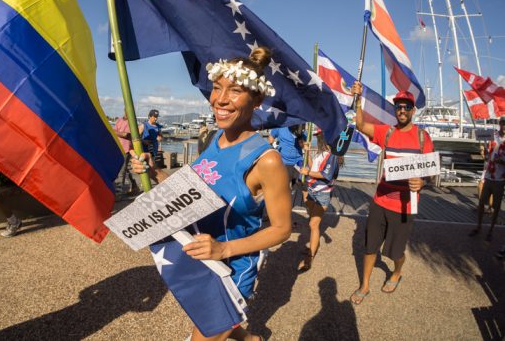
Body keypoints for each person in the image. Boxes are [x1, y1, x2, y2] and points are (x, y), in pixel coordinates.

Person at [131, 47, 292, 341]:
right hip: (200, 258)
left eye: (235, 91)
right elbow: (190, 193)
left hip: (230, 270)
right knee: (219, 327)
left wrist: (224, 250)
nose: (220, 99)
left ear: (257, 100)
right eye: (217, 88)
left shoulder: (266, 160)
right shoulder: (217, 138)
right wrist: (153, 173)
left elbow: (282, 229)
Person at [349, 83, 433, 305]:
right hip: (380, 200)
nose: (402, 110)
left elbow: (430, 172)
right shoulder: (386, 132)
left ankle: (396, 272)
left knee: (395, 253)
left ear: (413, 110)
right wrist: (358, 99)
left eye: (406, 107)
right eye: (398, 107)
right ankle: (364, 285)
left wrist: (422, 181)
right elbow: (359, 124)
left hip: (405, 206)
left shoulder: (423, 137)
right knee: (370, 246)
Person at [298, 129, 341, 272]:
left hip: (322, 193)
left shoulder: (333, 155)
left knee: (313, 224)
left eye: (318, 137)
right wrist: (308, 152)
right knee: (312, 219)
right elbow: (312, 166)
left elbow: (326, 174)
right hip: (312, 190)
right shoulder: (321, 153)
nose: (317, 139)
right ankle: (313, 243)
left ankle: (309, 257)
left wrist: (308, 173)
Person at [469, 116, 505, 241]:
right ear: (500, 124)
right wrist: (483, 152)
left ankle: (490, 231)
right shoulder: (492, 135)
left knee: (496, 206)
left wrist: (502, 161)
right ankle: (478, 227)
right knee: (481, 203)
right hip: (488, 175)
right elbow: (487, 154)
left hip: (500, 179)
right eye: (503, 123)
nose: (504, 126)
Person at [113, 111, 139, 195]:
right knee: (123, 170)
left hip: (126, 149)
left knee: (121, 172)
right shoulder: (119, 120)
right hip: (117, 148)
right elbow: (116, 132)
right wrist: (118, 133)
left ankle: (119, 193)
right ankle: (134, 185)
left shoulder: (132, 123)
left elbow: (126, 135)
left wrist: (116, 132)